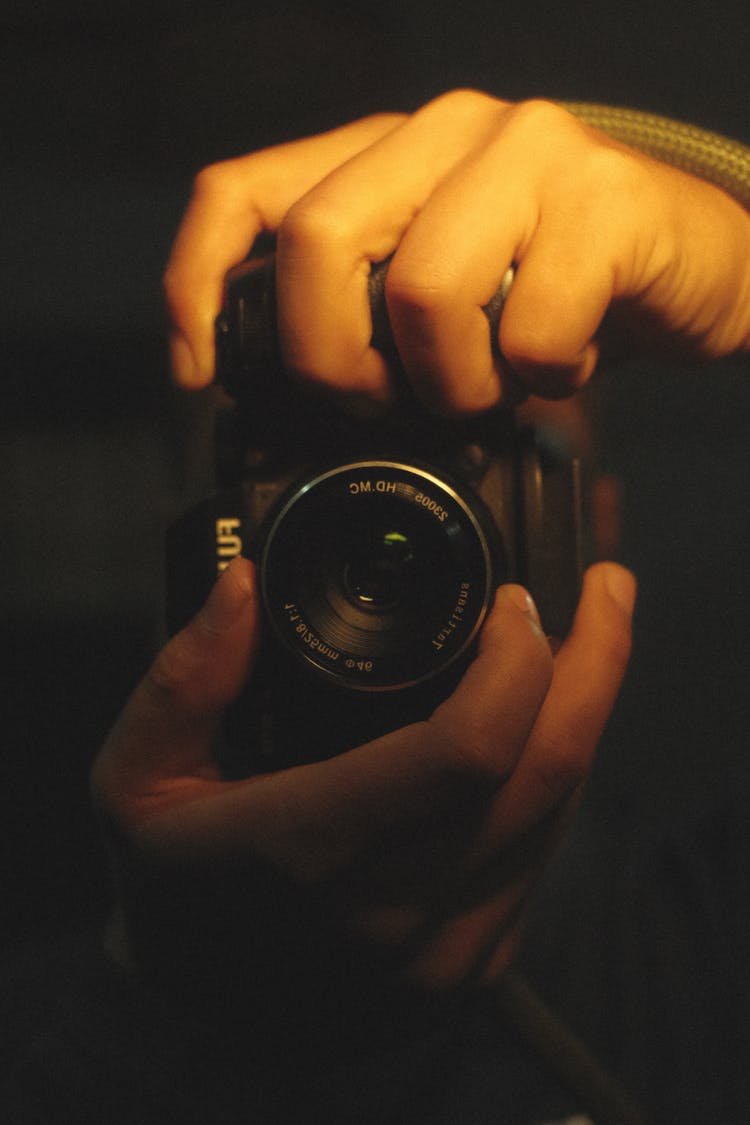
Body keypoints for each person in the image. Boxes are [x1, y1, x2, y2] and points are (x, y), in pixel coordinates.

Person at [6, 92, 750, 1124]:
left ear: (593, 525)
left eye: (475, 458)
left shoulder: (715, 946)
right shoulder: (37, 1041)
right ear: (193, 538)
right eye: (305, 456)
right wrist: (158, 1018)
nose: (383, 521)